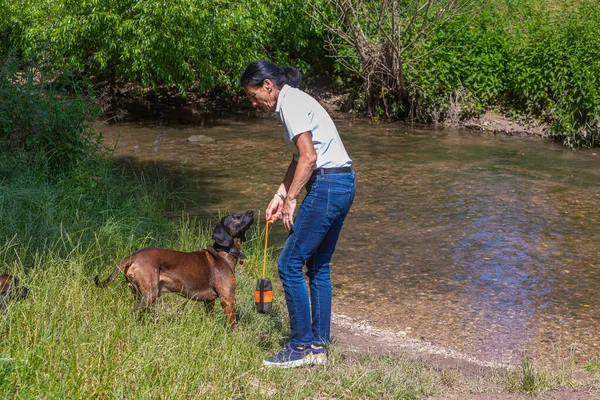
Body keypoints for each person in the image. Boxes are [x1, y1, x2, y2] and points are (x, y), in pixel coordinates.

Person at [240, 60, 356, 368]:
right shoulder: (294, 100)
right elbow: (297, 160)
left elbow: (310, 156)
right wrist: (279, 195)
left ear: (268, 85)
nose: (254, 103)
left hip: (327, 184)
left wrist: (292, 199)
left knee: (288, 263)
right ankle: (318, 346)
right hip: (343, 181)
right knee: (318, 265)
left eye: (254, 96)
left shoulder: (289, 105)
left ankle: (301, 346)